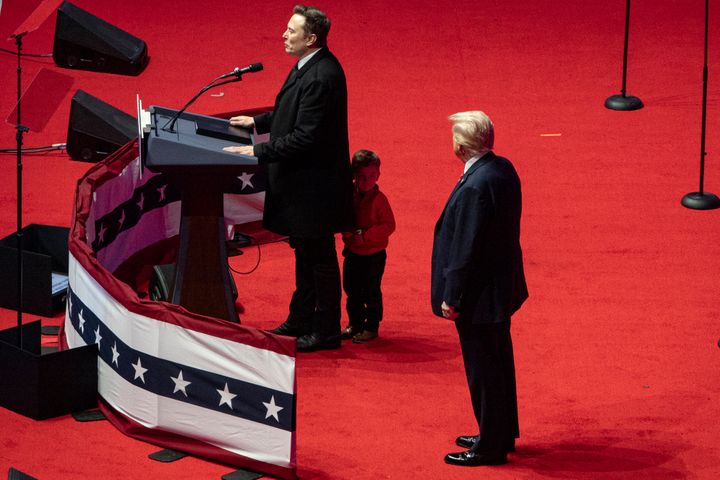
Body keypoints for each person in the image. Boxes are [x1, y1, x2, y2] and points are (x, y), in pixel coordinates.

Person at [223, 5, 353, 351]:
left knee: (319, 258)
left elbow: (306, 136)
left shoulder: (323, 76)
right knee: (305, 254)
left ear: (310, 38)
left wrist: (257, 152)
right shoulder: (307, 67)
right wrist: (258, 123)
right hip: (302, 185)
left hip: (315, 188)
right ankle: (301, 318)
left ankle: (325, 329)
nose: (284, 34)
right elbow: (289, 113)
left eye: (291, 31)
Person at [431, 111, 528, 466]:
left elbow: (464, 248)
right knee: (499, 362)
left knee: (484, 369)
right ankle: (498, 431)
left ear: (460, 144)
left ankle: (489, 446)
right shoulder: (503, 168)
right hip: (500, 288)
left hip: (478, 296)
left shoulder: (474, 185)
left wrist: (452, 296)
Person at [340, 150, 396, 343]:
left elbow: (389, 225)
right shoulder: (349, 195)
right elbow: (342, 216)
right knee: (351, 288)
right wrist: (345, 230)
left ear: (378, 175)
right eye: (361, 177)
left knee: (371, 291)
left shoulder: (380, 200)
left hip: (374, 255)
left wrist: (364, 236)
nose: (366, 181)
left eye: (371, 176)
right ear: (354, 176)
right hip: (353, 253)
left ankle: (371, 326)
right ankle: (355, 323)